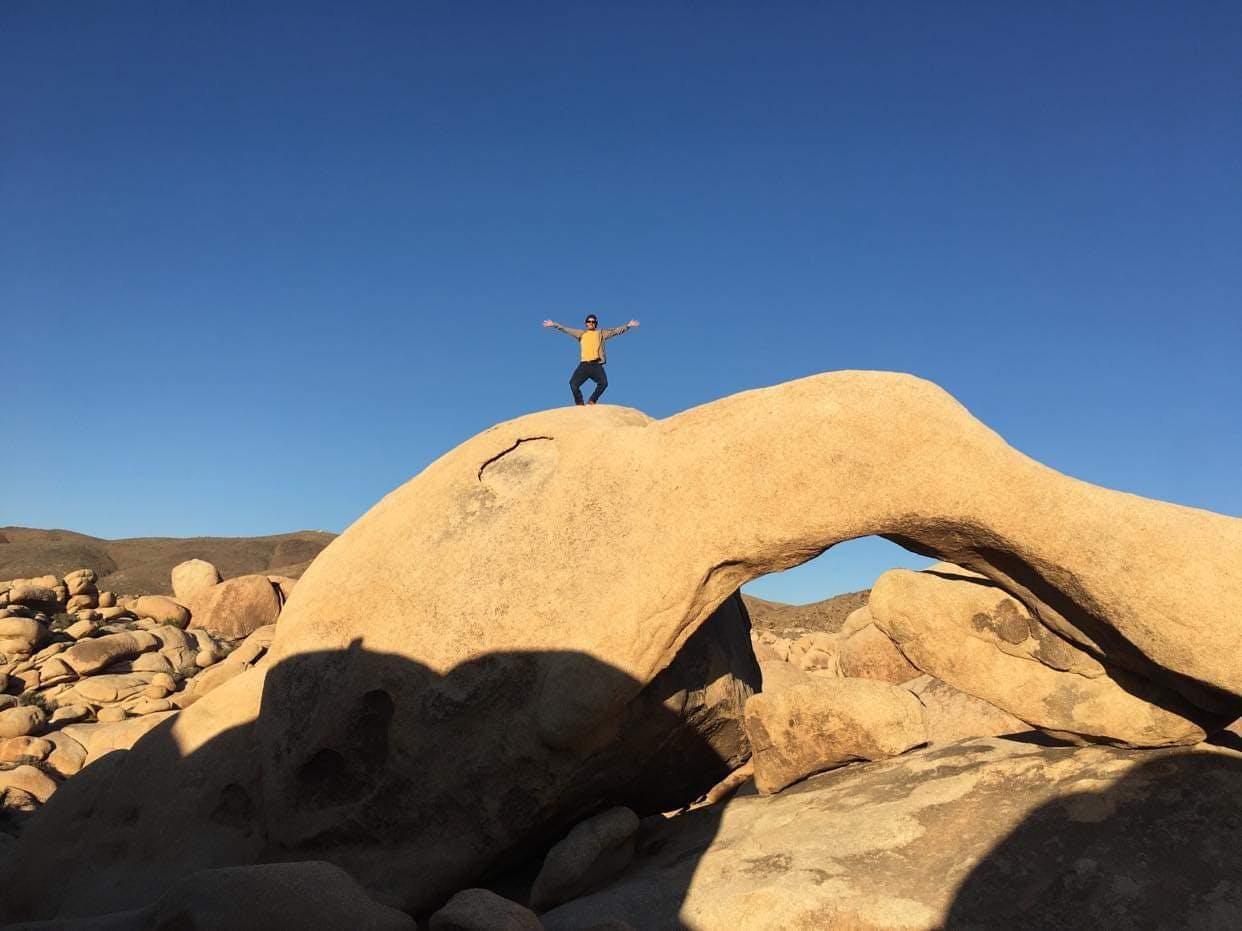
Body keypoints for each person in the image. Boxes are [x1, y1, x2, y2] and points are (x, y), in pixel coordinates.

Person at [542, 314, 641, 405]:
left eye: (593, 322)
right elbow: (566, 329)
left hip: (596, 365)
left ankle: (592, 400)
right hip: (584, 365)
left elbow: (615, 331)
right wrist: (554, 325)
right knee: (573, 384)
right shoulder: (581, 334)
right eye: (589, 321)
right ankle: (580, 403)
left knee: (604, 383)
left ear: (596, 324)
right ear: (586, 323)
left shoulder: (601, 333)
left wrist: (628, 325)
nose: (591, 323)